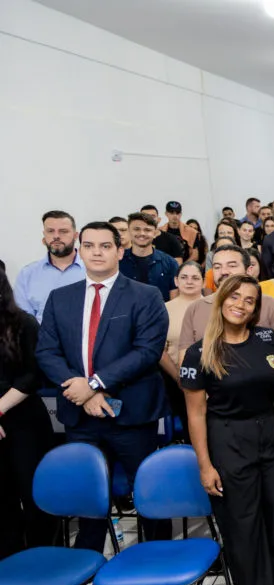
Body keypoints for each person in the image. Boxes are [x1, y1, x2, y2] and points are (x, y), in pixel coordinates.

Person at [35, 221, 171, 552]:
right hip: (80, 415)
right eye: (90, 245)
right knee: (88, 492)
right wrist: (81, 391)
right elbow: (46, 351)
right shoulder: (60, 298)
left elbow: (147, 351)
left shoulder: (146, 295)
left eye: (105, 246)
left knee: (146, 490)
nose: (97, 251)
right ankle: (88, 559)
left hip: (132, 413)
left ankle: (158, 554)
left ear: (119, 251)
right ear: (80, 250)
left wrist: (94, 384)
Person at [180, 275, 274, 585]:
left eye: (249, 300)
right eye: (234, 297)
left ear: (255, 308)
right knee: (243, 520)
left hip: (272, 437)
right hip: (228, 439)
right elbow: (195, 413)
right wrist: (205, 465)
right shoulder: (200, 351)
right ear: (221, 300)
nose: (241, 304)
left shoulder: (267, 340)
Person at [0, 266, 58, 559]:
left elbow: (32, 376)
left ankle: (44, 556)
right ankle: (9, 560)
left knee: (33, 491)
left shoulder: (23, 323)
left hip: (23, 418)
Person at [177, 246, 274, 362]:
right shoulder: (195, 308)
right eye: (217, 267)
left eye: (232, 265)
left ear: (249, 270)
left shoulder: (272, 306)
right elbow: (185, 361)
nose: (224, 272)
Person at [15, 210, 86, 322]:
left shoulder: (92, 270)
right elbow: (23, 322)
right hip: (40, 338)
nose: (56, 236)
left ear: (75, 236)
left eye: (63, 231)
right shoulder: (27, 274)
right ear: (44, 236)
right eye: (50, 231)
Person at [161, 261, 205, 438]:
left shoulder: (216, 306)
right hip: (176, 380)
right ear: (176, 281)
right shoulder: (164, 309)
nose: (189, 281)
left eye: (195, 278)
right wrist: (178, 376)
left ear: (203, 281)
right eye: (184, 277)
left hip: (212, 380)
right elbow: (159, 349)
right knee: (190, 429)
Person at [118, 212, 178, 302]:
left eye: (147, 230)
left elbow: (174, 301)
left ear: (155, 233)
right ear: (129, 232)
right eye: (136, 229)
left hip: (159, 315)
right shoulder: (117, 261)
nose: (142, 233)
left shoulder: (170, 263)